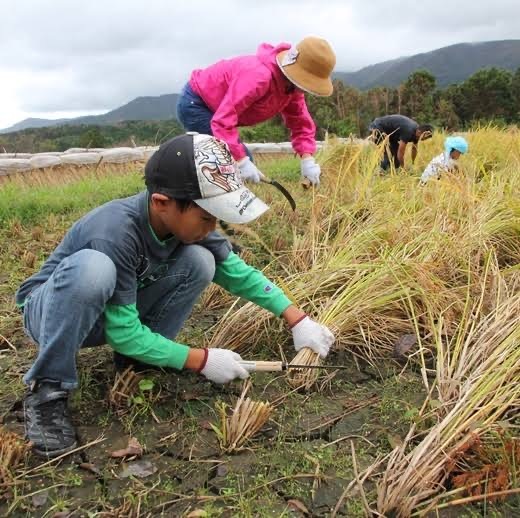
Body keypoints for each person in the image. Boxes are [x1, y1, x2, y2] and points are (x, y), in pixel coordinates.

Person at [16, 133, 335, 458]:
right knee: (93, 270)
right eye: (207, 217)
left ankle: (140, 359)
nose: (213, 227)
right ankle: (48, 390)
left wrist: (298, 320)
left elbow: (239, 273)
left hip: (105, 311)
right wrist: (202, 359)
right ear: (161, 203)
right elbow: (123, 332)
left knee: (201, 260)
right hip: (51, 315)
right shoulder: (114, 232)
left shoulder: (189, 226)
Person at [176, 36, 336, 186]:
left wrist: (307, 159)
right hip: (197, 104)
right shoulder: (259, 77)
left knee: (240, 164)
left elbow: (301, 123)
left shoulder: (291, 89)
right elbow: (222, 121)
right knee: (232, 165)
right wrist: (241, 162)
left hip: (216, 111)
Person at [368, 114, 434, 171]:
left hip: (390, 135)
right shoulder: (408, 131)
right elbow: (401, 152)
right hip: (378, 127)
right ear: (420, 132)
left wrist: (413, 162)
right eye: (425, 137)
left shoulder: (417, 133)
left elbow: (414, 149)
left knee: (396, 157)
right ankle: (379, 171)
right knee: (388, 153)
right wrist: (403, 168)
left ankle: (395, 170)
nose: (424, 140)